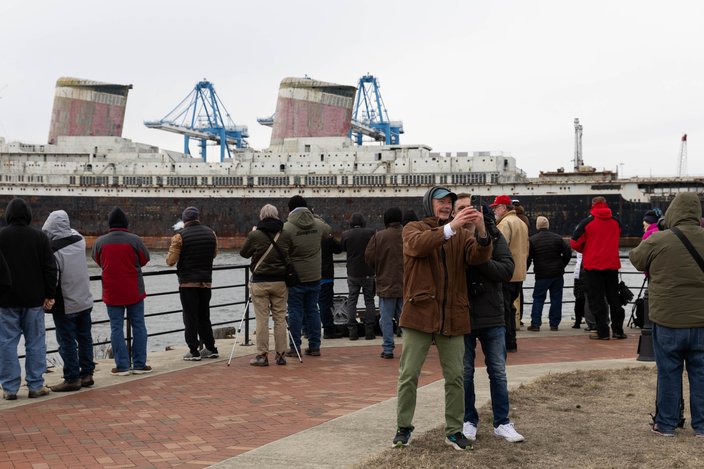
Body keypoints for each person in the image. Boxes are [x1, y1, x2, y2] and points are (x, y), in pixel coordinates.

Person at [392, 186, 492, 451]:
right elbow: (418, 246)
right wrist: (451, 228)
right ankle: (403, 427)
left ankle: (454, 430)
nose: (446, 206)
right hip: (419, 313)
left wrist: (481, 230)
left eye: (449, 202)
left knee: (456, 376)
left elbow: (478, 256)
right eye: (441, 202)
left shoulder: (460, 233)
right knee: (409, 375)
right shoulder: (413, 228)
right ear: (429, 204)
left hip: (453, 314)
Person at [629, 192, 704, 437]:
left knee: (669, 373)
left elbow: (636, 259)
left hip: (668, 320)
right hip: (702, 321)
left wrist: (657, 230)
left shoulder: (659, 239)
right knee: (701, 373)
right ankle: (702, 425)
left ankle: (667, 424)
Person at [455, 195, 525, 443]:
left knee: (498, 371)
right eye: (461, 209)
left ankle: (502, 422)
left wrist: (480, 258)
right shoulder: (452, 237)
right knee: (464, 372)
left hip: (492, 313)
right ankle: (468, 419)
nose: (466, 213)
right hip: (462, 314)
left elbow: (507, 270)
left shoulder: (495, 236)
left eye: (470, 209)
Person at [0, 198, 57, 400]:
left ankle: (9, 388)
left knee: (6, 343)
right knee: (35, 342)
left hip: (6, 300)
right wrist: (50, 294)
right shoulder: (39, 237)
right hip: (34, 299)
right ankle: (35, 385)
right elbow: (50, 268)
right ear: (28, 216)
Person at [92, 207, 152, 375]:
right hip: (134, 290)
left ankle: (122, 366)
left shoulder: (99, 242)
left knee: (116, 328)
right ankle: (139, 364)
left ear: (110, 223)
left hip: (112, 291)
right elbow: (145, 259)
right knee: (139, 326)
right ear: (126, 223)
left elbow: (97, 260)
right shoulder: (135, 240)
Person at [43, 210, 95, 392]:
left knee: (67, 342)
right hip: (85, 300)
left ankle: (72, 378)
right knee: (85, 338)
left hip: (66, 302)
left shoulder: (53, 250)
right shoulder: (80, 240)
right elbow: (71, 231)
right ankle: (87, 374)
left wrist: (49, 297)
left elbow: (53, 278)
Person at [166, 206, 219, 362]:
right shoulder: (211, 233)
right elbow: (214, 254)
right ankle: (210, 347)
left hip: (188, 283)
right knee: (204, 315)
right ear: (198, 218)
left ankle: (193, 350)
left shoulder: (179, 237)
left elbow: (170, 261)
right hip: (206, 281)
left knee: (190, 317)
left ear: (184, 220)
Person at [240, 204, 289, 366]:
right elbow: (292, 252)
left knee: (262, 320)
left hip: (260, 282)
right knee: (280, 319)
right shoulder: (285, 234)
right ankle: (281, 355)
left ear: (261, 216)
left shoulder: (256, 235)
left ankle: (262, 356)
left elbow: (244, 253)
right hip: (280, 282)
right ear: (276, 215)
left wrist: (253, 234)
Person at [281, 195, 331, 357]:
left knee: (295, 311)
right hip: (315, 275)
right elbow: (328, 230)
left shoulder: (287, 228)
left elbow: (282, 249)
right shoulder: (318, 225)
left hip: (295, 277)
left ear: (290, 210)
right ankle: (315, 346)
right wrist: (313, 215)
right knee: (313, 310)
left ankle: (295, 347)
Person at [570, 196, 625, 340]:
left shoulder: (587, 222)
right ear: (606, 205)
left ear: (593, 206)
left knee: (597, 300)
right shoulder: (615, 222)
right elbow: (618, 235)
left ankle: (603, 332)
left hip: (593, 265)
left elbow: (574, 242)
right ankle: (618, 330)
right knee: (614, 298)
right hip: (612, 265)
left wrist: (587, 250)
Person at [490, 195, 528, 352]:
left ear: (504, 208)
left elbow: (499, 249)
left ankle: (507, 342)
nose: (494, 210)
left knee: (504, 309)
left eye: (496, 207)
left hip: (506, 274)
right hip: (519, 273)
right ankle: (512, 341)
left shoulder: (505, 224)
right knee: (511, 308)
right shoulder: (521, 222)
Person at [364, 207, 403, 359]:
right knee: (406, 320)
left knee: (386, 319)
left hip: (386, 283)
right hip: (407, 283)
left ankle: (388, 349)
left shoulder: (379, 236)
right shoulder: (408, 234)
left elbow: (368, 257)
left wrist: (379, 267)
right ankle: (410, 348)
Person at [526, 216, 572, 331]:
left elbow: (528, 258)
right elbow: (568, 253)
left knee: (538, 298)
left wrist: (524, 270)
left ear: (537, 226)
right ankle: (554, 324)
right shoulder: (557, 238)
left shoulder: (532, 240)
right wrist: (562, 265)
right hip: (557, 274)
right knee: (556, 299)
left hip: (541, 274)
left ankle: (535, 324)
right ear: (548, 225)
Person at [341, 213, 376, 340]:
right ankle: (370, 331)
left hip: (352, 272)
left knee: (352, 300)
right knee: (369, 301)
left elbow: (342, 248)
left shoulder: (346, 234)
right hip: (368, 271)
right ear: (363, 222)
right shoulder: (371, 232)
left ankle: (352, 331)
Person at [320, 233, 343, 339]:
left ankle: (306, 329)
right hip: (326, 275)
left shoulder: (306, 237)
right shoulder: (327, 239)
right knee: (325, 303)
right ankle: (328, 330)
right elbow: (339, 249)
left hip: (309, 275)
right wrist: (330, 237)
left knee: (308, 305)